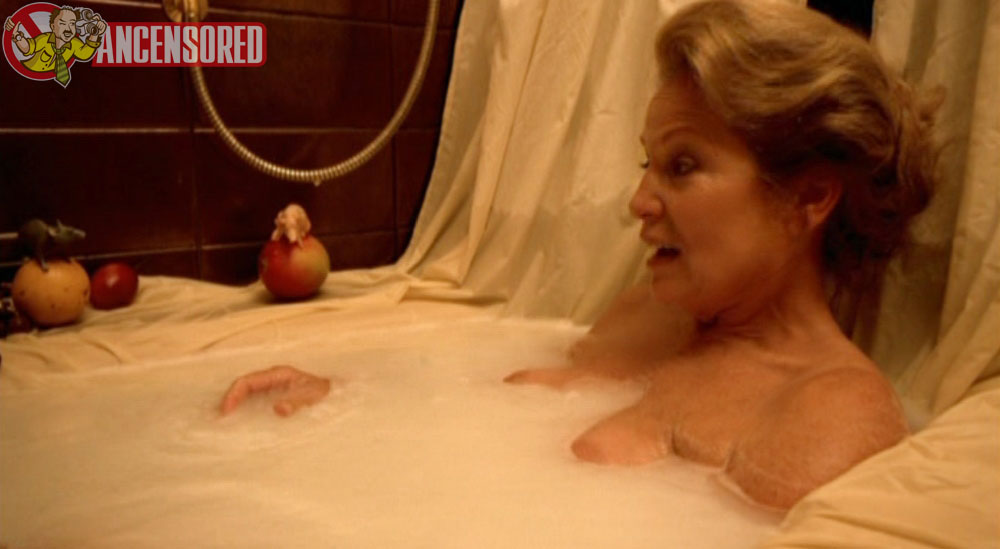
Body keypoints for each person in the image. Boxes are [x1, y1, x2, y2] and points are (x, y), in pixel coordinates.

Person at [219, 0, 938, 510]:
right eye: (648, 164)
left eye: (683, 166)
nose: (639, 202)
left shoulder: (831, 415)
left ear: (809, 197)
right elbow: (471, 423)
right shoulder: (650, 318)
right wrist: (341, 400)